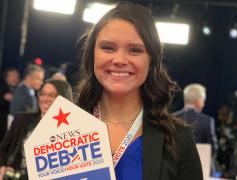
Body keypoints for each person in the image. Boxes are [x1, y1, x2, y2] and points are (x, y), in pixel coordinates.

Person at [76, 2, 203, 180]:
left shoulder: (178, 140)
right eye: (108, 48)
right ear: (92, 55)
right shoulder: (60, 130)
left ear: (151, 61)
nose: (119, 59)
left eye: (134, 50)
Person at [0, 79, 73, 180]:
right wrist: (3, 169)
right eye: (43, 94)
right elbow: (2, 150)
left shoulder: (71, 132)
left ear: (64, 99)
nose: (45, 99)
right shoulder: (22, 120)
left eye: (52, 95)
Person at [173, 83, 218, 155]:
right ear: (199, 101)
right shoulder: (207, 121)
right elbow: (213, 148)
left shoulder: (171, 118)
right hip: (200, 164)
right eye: (203, 101)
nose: (203, 104)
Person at [0, 68, 20, 145]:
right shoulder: (2, 89)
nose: (17, 76)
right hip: (4, 121)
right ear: (7, 77)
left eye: (17, 75)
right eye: (14, 75)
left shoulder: (20, 89)